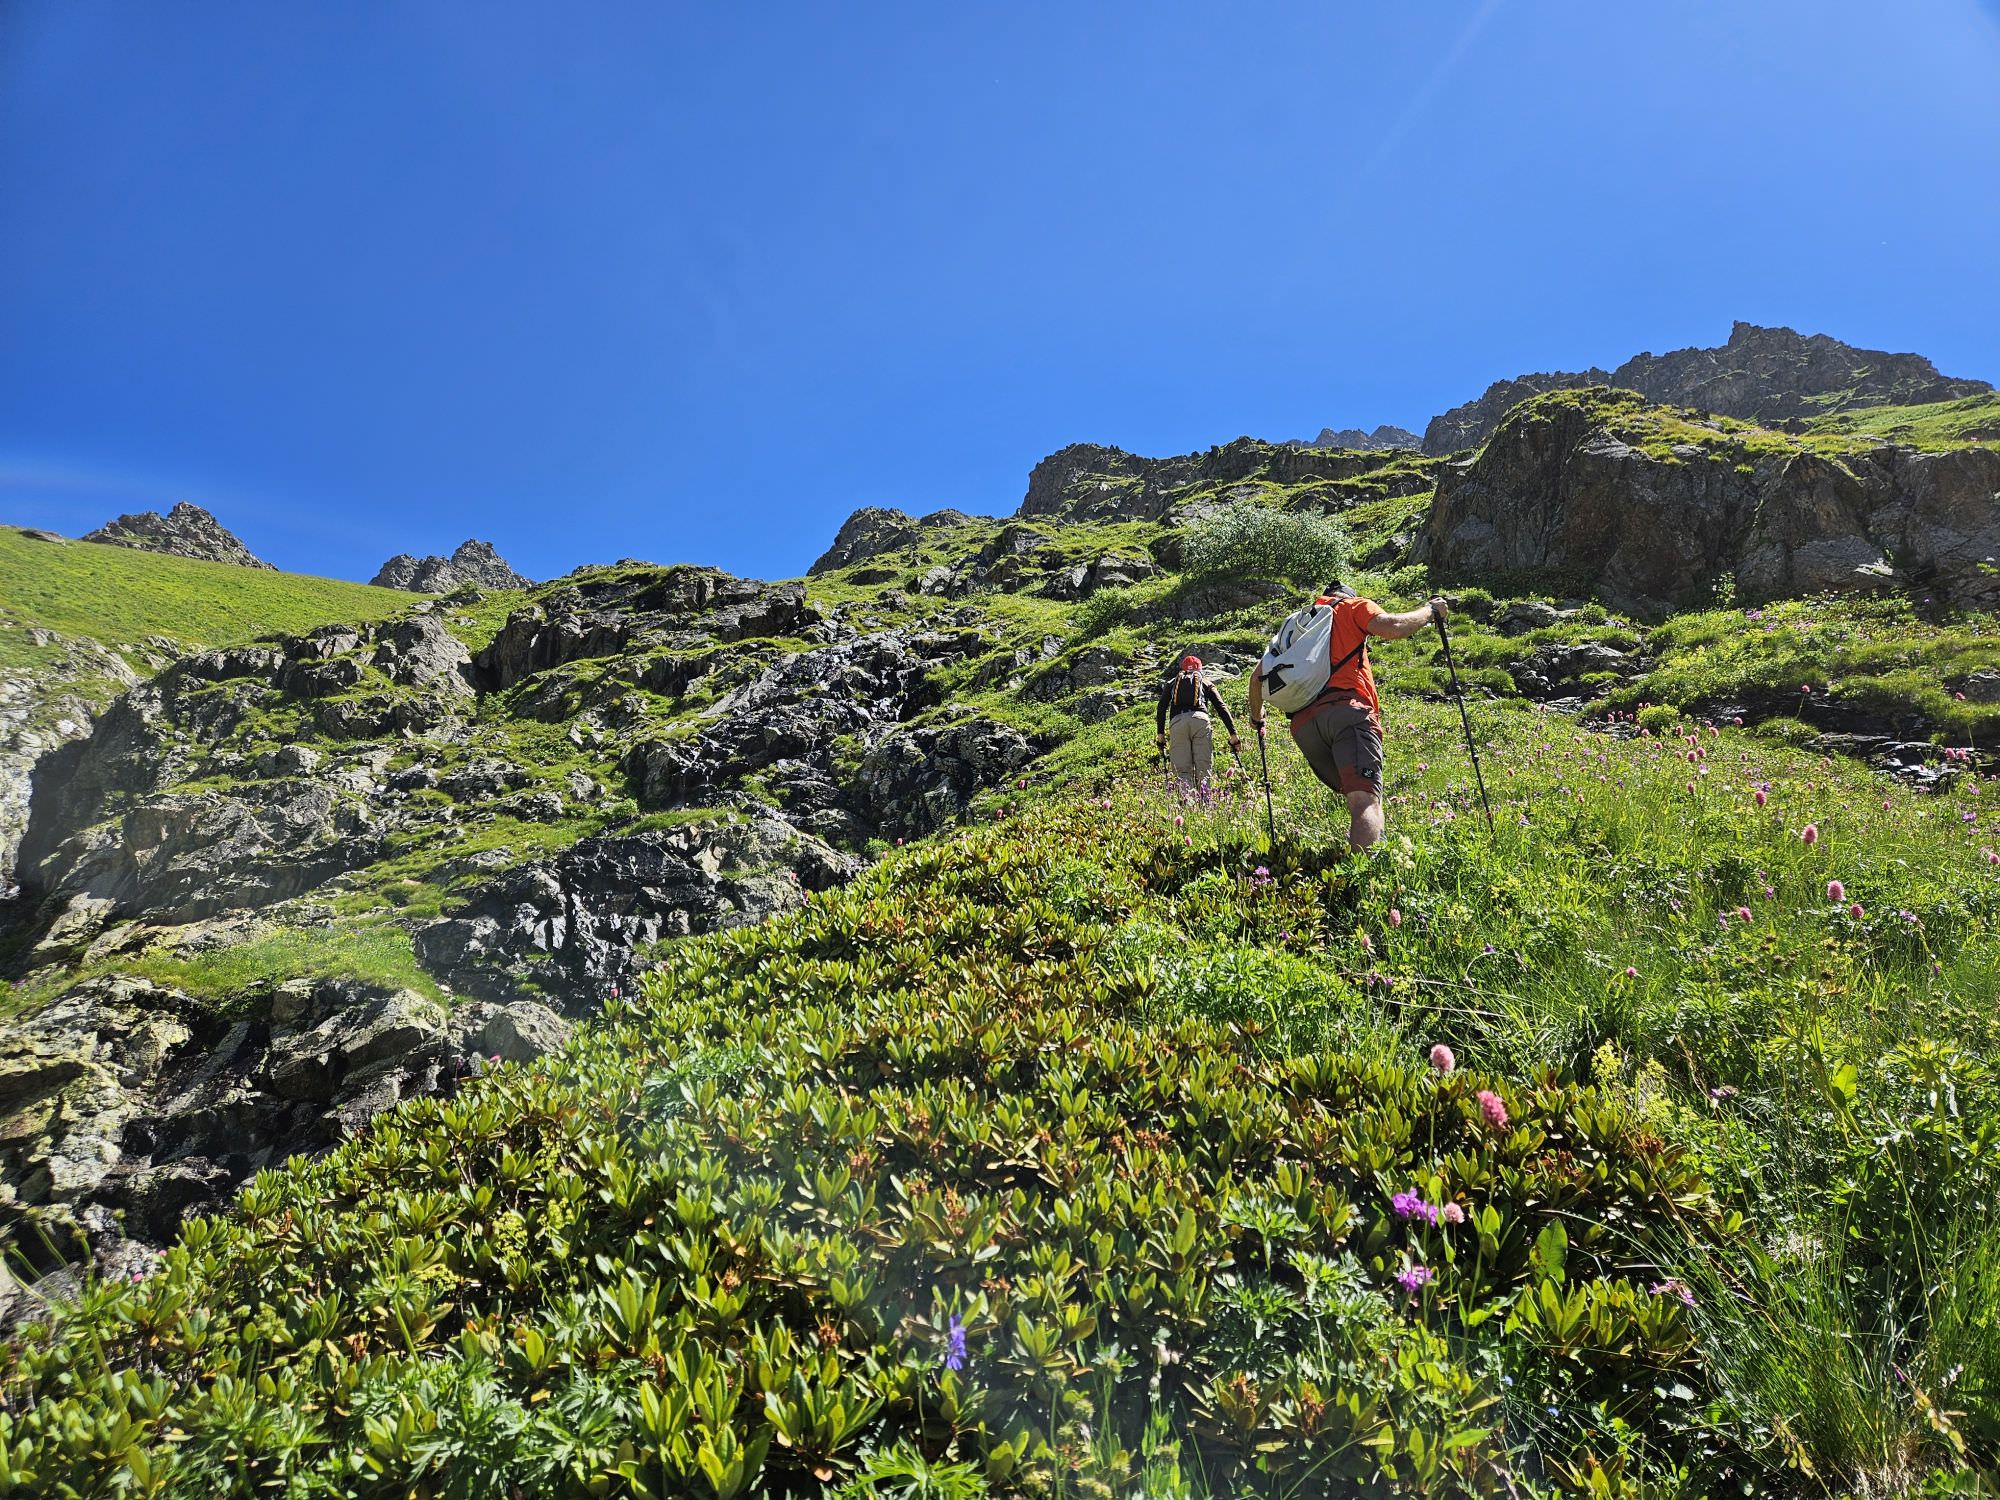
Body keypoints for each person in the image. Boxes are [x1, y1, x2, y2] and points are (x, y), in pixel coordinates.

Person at [1247, 583, 1448, 850]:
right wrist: (1430, 611)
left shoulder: (1297, 625)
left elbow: (1255, 679)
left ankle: (1367, 847)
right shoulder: (1352, 607)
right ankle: (1365, 882)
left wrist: (1257, 718)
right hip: (1346, 714)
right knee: (1364, 800)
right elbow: (1392, 627)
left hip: (1304, 728)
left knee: (1357, 795)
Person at [1155, 654, 1241, 792]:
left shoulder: (1173, 683)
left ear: (1182, 669)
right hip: (1200, 721)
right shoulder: (1205, 682)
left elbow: (1161, 708)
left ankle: (1188, 806)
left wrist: (1160, 735)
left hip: (1178, 724)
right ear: (1200, 669)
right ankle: (1205, 805)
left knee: (1182, 771)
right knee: (1203, 769)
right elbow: (1221, 707)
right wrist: (1233, 734)